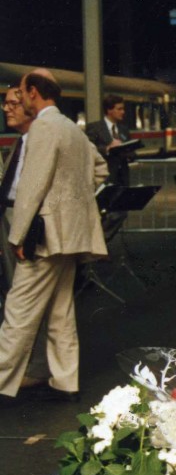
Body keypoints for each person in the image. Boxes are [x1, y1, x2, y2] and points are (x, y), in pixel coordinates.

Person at [0, 71, 107, 402]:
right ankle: (65, 381)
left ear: (33, 92)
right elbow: (99, 169)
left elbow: (33, 186)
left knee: (18, 312)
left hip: (43, 237)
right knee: (61, 313)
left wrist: (18, 238)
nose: (20, 100)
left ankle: (2, 381)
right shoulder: (72, 129)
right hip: (69, 237)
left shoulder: (44, 128)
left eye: (21, 93)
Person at [0, 86, 49, 386]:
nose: (7, 109)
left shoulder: (37, 141)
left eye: (13, 104)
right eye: (5, 104)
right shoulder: (20, 142)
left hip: (22, 224)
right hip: (9, 220)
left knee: (23, 298)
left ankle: (29, 368)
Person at [85, 93, 136, 187]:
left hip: (123, 180)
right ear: (109, 110)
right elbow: (88, 149)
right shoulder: (95, 128)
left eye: (123, 109)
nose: (123, 112)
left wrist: (128, 151)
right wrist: (107, 149)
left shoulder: (123, 129)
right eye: (119, 109)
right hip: (104, 178)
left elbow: (133, 154)